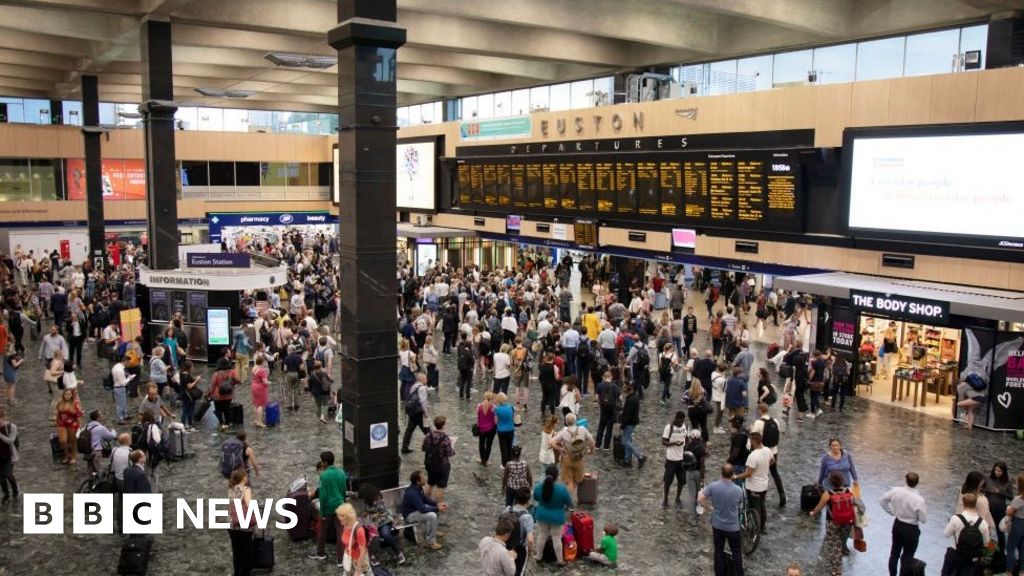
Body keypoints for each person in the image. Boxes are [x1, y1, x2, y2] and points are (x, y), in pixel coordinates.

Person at [811, 471, 866, 576]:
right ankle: (836, 562)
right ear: (842, 481)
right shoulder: (849, 491)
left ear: (831, 482)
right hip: (847, 523)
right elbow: (859, 505)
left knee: (834, 544)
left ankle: (837, 570)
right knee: (840, 543)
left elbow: (818, 508)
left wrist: (813, 513)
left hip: (833, 523)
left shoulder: (828, 494)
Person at [699, 463, 746, 576]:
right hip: (733, 527)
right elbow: (740, 503)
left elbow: (700, 498)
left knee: (718, 550)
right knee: (736, 552)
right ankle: (737, 573)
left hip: (718, 525)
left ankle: (719, 573)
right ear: (733, 474)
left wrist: (709, 508)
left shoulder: (713, 486)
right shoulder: (738, 490)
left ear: (722, 473)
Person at [879, 471, 927, 576]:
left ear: (906, 480)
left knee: (894, 553)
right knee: (908, 556)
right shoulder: (919, 500)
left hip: (898, 524)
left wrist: (892, 512)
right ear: (917, 483)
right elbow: (923, 519)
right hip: (911, 529)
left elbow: (882, 500)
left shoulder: (896, 491)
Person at [309, 451, 348, 561]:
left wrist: (322, 512)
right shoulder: (341, 473)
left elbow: (323, 495)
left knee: (322, 531)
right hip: (340, 505)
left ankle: (320, 553)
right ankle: (341, 559)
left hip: (328, 507)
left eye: (322, 461)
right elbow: (344, 490)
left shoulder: (324, 476)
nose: (321, 463)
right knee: (340, 532)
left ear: (325, 463)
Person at [533, 464, 573, 567]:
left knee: (542, 535)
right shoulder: (562, 489)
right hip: (557, 517)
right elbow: (569, 503)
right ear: (557, 476)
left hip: (541, 515)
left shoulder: (539, 487)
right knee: (556, 538)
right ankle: (560, 561)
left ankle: (538, 556)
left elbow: (536, 498)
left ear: (546, 475)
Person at [942, 492, 991, 576]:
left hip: (955, 553)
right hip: (971, 557)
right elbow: (987, 543)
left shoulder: (955, 519)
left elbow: (946, 534)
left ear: (963, 504)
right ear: (975, 504)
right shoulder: (983, 523)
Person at [356, 483, 405, 566]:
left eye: (364, 496)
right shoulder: (366, 498)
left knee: (385, 534)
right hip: (372, 523)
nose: (363, 497)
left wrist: (372, 522)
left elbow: (383, 513)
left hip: (384, 521)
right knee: (373, 537)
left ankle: (399, 554)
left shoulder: (378, 498)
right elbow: (356, 495)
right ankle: (373, 556)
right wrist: (346, 493)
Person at [733, 430, 771, 534]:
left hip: (754, 486)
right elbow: (772, 461)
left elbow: (748, 473)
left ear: (754, 441)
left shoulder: (753, 456)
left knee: (755, 508)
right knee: (762, 505)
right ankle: (762, 527)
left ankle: (755, 529)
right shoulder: (768, 450)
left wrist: (736, 477)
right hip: (764, 484)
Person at [748, 403, 785, 507]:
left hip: (762, 453)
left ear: (760, 411)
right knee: (774, 473)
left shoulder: (758, 422)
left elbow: (754, 436)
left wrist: (751, 429)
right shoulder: (775, 421)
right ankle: (782, 494)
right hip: (774, 451)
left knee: (759, 474)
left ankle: (759, 496)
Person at [400, 470, 446, 551]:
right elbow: (422, 509)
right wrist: (437, 508)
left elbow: (425, 499)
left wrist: (436, 504)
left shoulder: (418, 487)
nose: (425, 479)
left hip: (416, 509)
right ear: (418, 481)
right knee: (432, 516)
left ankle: (433, 531)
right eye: (423, 478)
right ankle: (430, 542)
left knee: (434, 510)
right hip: (409, 515)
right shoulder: (413, 493)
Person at [550, 413, 595, 495]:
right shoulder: (582, 429)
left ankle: (570, 500)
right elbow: (592, 441)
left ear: (566, 422)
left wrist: (561, 449)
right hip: (579, 458)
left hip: (567, 458)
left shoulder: (563, 432)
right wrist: (591, 451)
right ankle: (578, 495)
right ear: (575, 421)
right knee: (578, 479)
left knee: (569, 481)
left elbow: (552, 442)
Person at [981, 461, 1013, 555]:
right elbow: (981, 489)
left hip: (999, 510)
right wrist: (988, 490)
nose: (997, 472)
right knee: (985, 529)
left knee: (1000, 531)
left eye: (1000, 471)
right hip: (987, 509)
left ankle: (1002, 552)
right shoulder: (988, 478)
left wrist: (1001, 492)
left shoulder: (1007, 483)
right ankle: (984, 550)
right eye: (996, 470)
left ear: (1003, 472)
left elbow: (1011, 497)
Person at [227, 468, 254, 576]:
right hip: (244, 526)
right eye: (246, 475)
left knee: (236, 552)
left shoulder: (231, 489)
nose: (247, 477)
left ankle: (237, 572)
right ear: (243, 478)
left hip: (232, 525)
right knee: (246, 552)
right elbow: (249, 505)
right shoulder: (246, 489)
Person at [956, 471, 997, 542]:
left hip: (961, 528)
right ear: (977, 484)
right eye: (981, 482)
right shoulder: (981, 500)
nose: (982, 483)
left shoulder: (962, 490)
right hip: (975, 534)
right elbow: (983, 518)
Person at [422, 415, 455, 504]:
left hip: (430, 463)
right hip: (442, 465)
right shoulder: (446, 439)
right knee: (440, 487)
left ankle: (425, 500)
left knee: (430, 483)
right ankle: (439, 504)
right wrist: (453, 448)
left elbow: (423, 448)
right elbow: (449, 453)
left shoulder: (428, 435)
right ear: (443, 425)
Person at [662, 411, 689, 509]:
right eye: (679, 421)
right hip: (671, 459)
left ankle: (678, 498)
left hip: (681, 459)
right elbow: (663, 442)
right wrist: (674, 444)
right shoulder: (669, 428)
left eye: (682, 421)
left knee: (681, 481)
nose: (681, 423)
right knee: (668, 481)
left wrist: (686, 448)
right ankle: (665, 498)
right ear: (676, 418)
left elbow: (687, 439)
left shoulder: (685, 427)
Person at [505, 486, 535, 576]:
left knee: (506, 569)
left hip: (506, 544)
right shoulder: (527, 517)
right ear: (528, 501)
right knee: (518, 572)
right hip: (520, 548)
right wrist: (531, 550)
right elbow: (530, 540)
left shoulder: (507, 509)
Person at [619, 382, 646, 468]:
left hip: (630, 423)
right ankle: (627, 460)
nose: (623, 388)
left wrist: (622, 425)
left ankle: (640, 456)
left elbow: (628, 414)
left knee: (624, 441)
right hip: (632, 422)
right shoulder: (634, 397)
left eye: (625, 386)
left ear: (629, 388)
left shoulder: (631, 399)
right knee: (628, 440)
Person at [401, 373, 430, 454]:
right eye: (425, 379)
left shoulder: (414, 386)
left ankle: (404, 447)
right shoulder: (422, 388)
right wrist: (425, 412)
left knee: (409, 430)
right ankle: (434, 446)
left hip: (412, 412)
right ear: (422, 380)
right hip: (419, 412)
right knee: (427, 430)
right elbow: (422, 401)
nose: (426, 380)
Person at [338, 502, 369, 576]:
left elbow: (363, 550)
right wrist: (346, 552)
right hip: (350, 557)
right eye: (339, 515)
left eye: (342, 516)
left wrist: (358, 570)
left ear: (349, 516)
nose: (340, 518)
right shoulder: (345, 525)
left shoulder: (359, 530)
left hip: (359, 561)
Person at [83, 410, 117, 476]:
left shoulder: (86, 426)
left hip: (87, 450)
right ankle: (94, 484)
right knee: (96, 470)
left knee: (90, 468)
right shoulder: (100, 428)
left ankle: (90, 481)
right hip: (95, 451)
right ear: (98, 418)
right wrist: (113, 430)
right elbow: (110, 437)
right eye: (101, 415)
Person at [54, 388, 83, 465]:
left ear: (71, 395)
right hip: (62, 423)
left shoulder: (75, 403)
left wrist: (80, 426)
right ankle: (67, 455)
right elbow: (57, 413)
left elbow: (78, 416)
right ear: (63, 395)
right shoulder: (60, 403)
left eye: (69, 394)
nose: (67, 396)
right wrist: (56, 422)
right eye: (65, 394)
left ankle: (73, 455)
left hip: (72, 424)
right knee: (62, 441)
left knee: (72, 441)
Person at [1004, 473, 1024, 576]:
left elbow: (1009, 512)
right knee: (1022, 549)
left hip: (1018, 524)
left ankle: (1009, 572)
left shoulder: (1019, 499)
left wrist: (1008, 509)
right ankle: (1022, 572)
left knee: (1010, 548)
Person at [0, 408, 19, 503]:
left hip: (9, 456)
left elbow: (10, 440)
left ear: (2, 418)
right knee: (1, 477)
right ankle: (6, 494)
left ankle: (15, 490)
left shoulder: (11, 427)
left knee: (8, 474)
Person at [494, 393, 516, 467]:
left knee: (503, 448)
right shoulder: (511, 407)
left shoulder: (496, 409)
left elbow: (496, 421)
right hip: (510, 429)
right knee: (510, 446)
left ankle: (504, 464)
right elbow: (513, 418)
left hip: (501, 430)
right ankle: (510, 462)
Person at [477, 391, 498, 465]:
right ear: (491, 398)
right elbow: (495, 420)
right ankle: (486, 460)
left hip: (481, 427)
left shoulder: (479, 405)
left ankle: (482, 458)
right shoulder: (494, 407)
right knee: (489, 444)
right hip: (491, 428)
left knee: (481, 443)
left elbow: (478, 416)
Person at [281, 345, 305, 412]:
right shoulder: (299, 357)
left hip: (289, 374)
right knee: (296, 389)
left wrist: (285, 374)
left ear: (290, 350)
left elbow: (285, 368)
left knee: (289, 390)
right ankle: (296, 405)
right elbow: (301, 367)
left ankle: (290, 405)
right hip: (297, 374)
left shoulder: (286, 358)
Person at [250, 355, 270, 428]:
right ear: (263, 362)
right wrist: (269, 382)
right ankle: (259, 422)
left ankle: (256, 420)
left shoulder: (254, 368)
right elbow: (265, 382)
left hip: (253, 386)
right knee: (261, 405)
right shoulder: (262, 370)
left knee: (255, 404)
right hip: (260, 388)